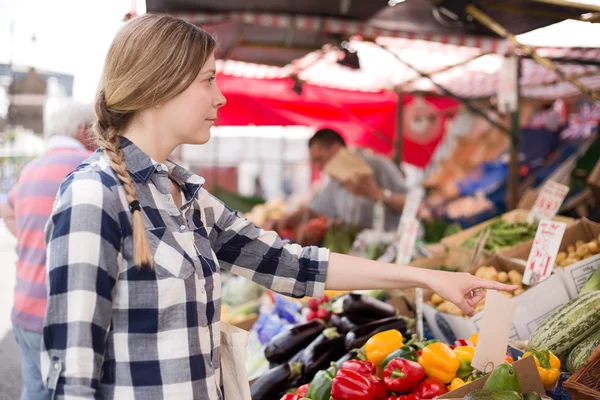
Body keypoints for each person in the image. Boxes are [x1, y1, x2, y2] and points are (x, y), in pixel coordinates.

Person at [41, 14, 516, 400]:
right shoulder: (93, 195)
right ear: (162, 84)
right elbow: (72, 374)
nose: (221, 96)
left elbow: (294, 264)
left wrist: (428, 277)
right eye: (209, 80)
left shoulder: (185, 195)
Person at [0, 99, 94, 400]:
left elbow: (7, 210)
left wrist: (32, 237)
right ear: (82, 129)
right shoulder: (89, 167)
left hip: (25, 307)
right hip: (63, 314)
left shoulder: (30, 169)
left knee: (34, 391)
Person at [272, 128, 409, 232]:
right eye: (314, 162)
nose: (319, 167)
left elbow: (415, 204)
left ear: (337, 149)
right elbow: (313, 211)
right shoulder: (335, 182)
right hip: (360, 251)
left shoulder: (378, 165)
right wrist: (283, 222)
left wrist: (379, 194)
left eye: (320, 159)